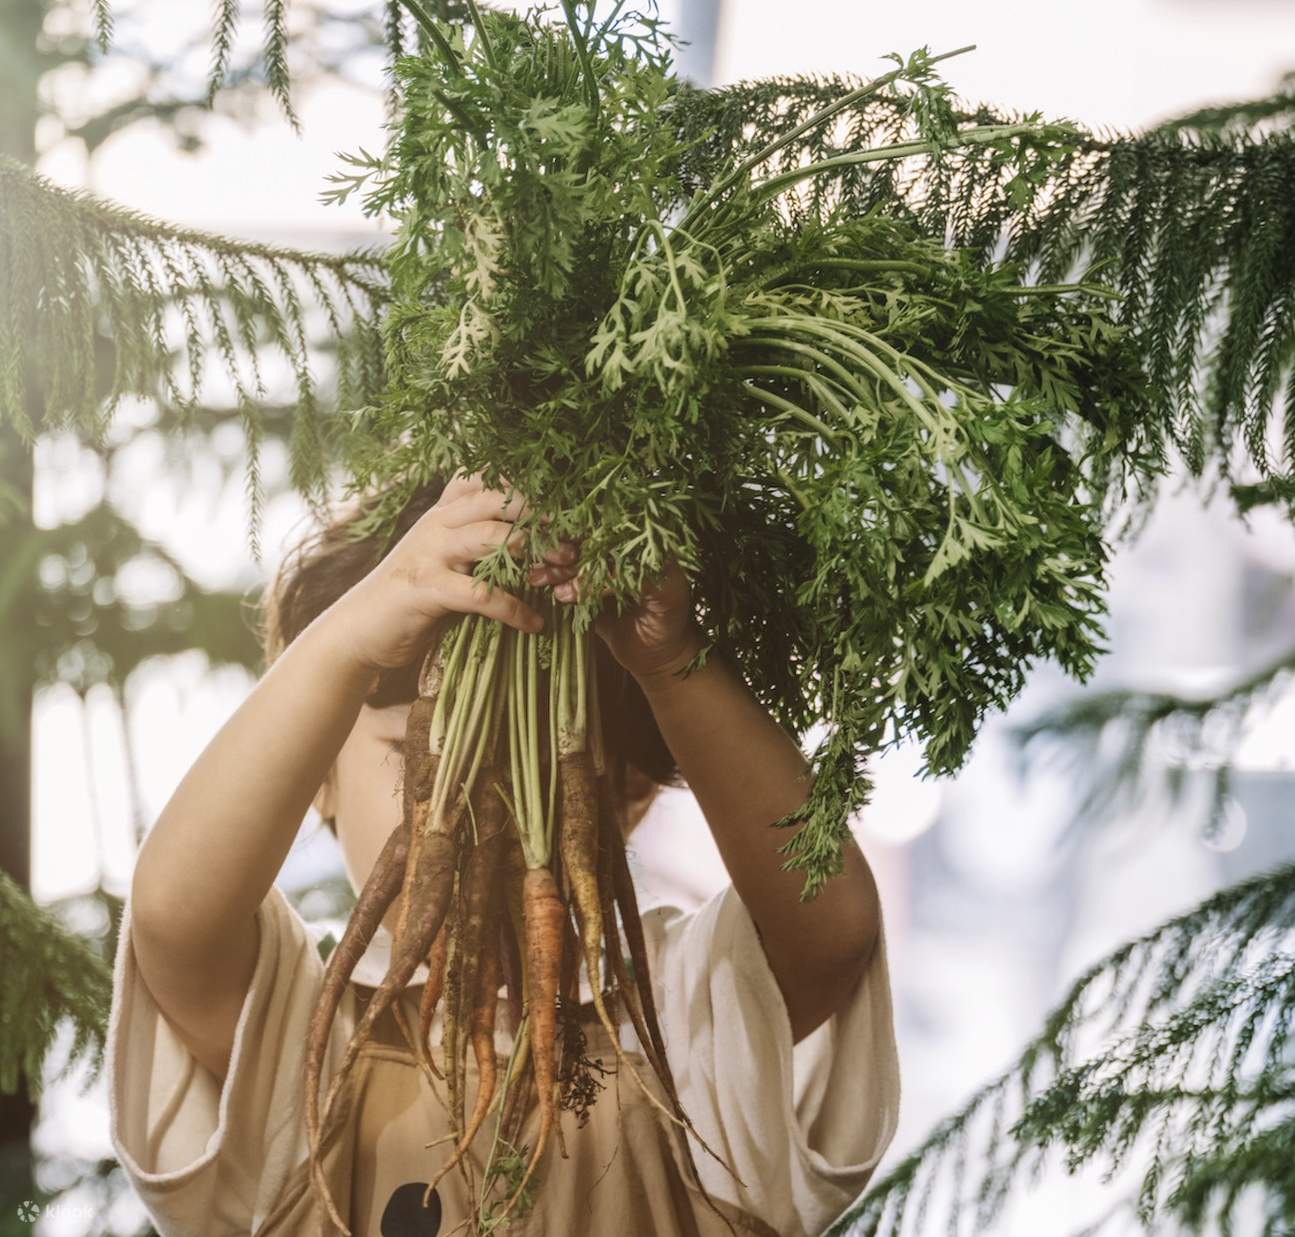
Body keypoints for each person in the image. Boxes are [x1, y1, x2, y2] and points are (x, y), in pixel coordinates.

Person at [106, 471, 900, 1235]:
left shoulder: (689, 1015)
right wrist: (349, 638)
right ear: (315, 776)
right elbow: (175, 916)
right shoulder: (298, 1046)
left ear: (629, 795)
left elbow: (831, 925)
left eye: (549, 767)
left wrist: (669, 664)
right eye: (412, 755)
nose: (478, 810)